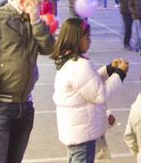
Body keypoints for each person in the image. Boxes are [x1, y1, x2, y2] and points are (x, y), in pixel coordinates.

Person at [0, 0, 55, 163]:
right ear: (23, 2)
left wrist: (36, 21)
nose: (41, 7)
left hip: (24, 105)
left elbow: (49, 48)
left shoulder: (33, 20)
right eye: (38, 3)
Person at [52, 17, 128, 163]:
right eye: (87, 37)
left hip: (74, 131)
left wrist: (109, 69)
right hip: (82, 135)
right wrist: (120, 73)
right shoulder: (79, 66)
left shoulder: (67, 61)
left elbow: (87, 83)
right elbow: (100, 94)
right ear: (76, 40)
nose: (90, 41)